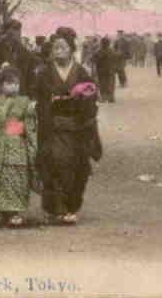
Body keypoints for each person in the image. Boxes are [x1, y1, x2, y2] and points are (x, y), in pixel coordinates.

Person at [34, 36, 102, 225]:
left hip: (77, 127)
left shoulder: (82, 72)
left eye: (63, 46)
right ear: (51, 51)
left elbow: (92, 96)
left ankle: (71, 207)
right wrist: (51, 101)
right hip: (52, 127)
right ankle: (55, 208)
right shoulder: (44, 73)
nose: (59, 49)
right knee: (52, 165)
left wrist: (80, 97)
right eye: (56, 47)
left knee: (76, 167)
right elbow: (38, 97)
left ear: (71, 50)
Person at [0, 66, 38, 228]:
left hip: (18, 144)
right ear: (1, 85)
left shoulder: (25, 102)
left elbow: (29, 124)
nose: (12, 86)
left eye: (16, 83)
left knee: (17, 176)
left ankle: (15, 212)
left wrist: (30, 113)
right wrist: (5, 109)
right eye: (8, 83)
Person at [0, 20, 39, 99]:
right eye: (14, 30)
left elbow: (30, 74)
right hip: (2, 94)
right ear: (6, 33)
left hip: (22, 94)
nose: (18, 34)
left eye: (18, 31)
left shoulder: (24, 52)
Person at [93, 38, 119, 104]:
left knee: (102, 84)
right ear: (109, 43)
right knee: (111, 83)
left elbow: (93, 59)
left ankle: (103, 97)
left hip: (101, 71)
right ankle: (111, 97)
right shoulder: (112, 51)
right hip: (111, 70)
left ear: (101, 43)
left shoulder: (99, 51)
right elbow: (116, 59)